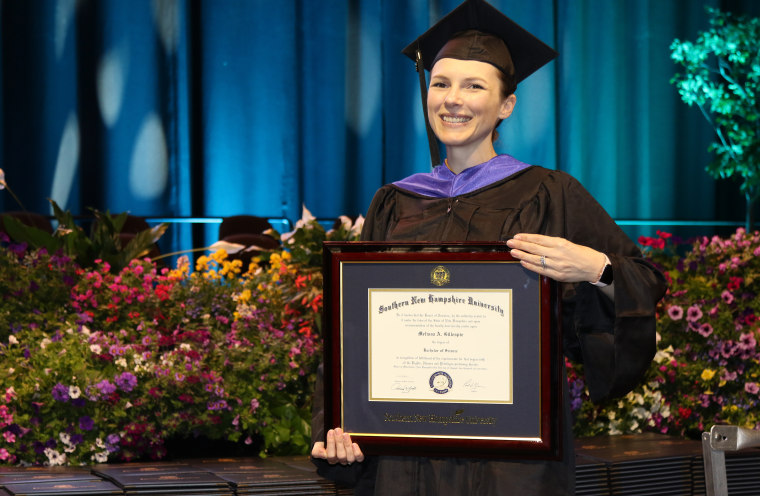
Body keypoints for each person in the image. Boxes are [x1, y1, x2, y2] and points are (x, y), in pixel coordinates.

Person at [311, 0, 667, 494]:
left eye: (474, 86)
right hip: (403, 452)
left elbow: (643, 280)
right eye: (441, 83)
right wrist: (336, 429)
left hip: (510, 459)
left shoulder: (549, 192)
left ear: (506, 105)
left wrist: (597, 267)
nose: (452, 99)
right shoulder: (394, 201)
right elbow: (355, 331)